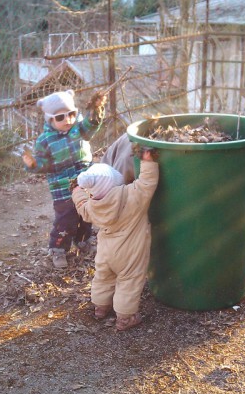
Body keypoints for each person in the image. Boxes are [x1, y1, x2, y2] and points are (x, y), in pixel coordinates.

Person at [72, 151, 159, 332]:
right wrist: (147, 160)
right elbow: (147, 182)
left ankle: (100, 307)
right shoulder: (131, 195)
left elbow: (81, 206)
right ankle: (125, 318)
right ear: (114, 181)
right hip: (129, 253)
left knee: (103, 277)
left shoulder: (92, 205)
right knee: (129, 281)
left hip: (105, 253)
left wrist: (76, 190)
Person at [22, 89, 106, 268]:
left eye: (71, 114)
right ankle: (58, 249)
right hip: (63, 189)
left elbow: (91, 125)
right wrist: (33, 164)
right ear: (50, 119)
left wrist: (95, 109)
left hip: (84, 183)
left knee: (86, 214)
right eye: (60, 118)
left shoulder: (79, 129)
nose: (67, 120)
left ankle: (83, 240)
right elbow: (44, 164)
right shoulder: (45, 140)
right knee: (66, 220)